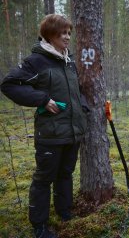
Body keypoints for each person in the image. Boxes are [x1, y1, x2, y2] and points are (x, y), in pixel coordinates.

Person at [0, 14, 88, 238]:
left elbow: (76, 90)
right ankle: (39, 227)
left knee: (65, 174)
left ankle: (64, 213)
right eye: (63, 34)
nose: (67, 37)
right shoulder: (37, 61)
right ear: (50, 35)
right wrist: (42, 100)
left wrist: (83, 107)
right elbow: (9, 84)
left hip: (72, 131)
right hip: (50, 133)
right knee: (44, 178)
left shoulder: (69, 60)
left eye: (69, 33)